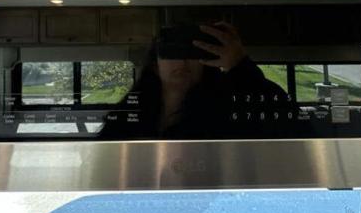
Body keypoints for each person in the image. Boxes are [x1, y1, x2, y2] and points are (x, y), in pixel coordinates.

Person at [104, 22, 288, 139]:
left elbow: (286, 123)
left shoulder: (228, 108)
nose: (183, 60)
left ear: (206, 61)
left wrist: (240, 65)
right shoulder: (128, 115)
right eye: (173, 51)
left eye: (192, 52)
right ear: (154, 64)